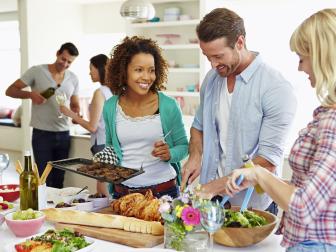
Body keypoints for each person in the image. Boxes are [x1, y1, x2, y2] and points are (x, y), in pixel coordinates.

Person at [227, 9, 336, 251]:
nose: (300, 68)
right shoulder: (326, 114)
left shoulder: (332, 122)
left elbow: (303, 207)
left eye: (302, 57)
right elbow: (314, 190)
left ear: (322, 56)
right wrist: (264, 180)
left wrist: (259, 174)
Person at [181, 8, 297, 214]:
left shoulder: (276, 88)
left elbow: (267, 162)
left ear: (240, 43)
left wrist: (210, 188)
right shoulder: (211, 80)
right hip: (211, 201)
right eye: (208, 57)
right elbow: (198, 128)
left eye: (218, 56)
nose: (213, 64)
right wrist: (195, 156)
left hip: (251, 205)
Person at [103, 36, 188, 199]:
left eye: (151, 70)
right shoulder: (110, 107)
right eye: (139, 70)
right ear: (123, 71)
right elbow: (110, 146)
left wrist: (170, 153)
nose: (147, 77)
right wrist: (103, 167)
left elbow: (183, 146)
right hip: (123, 194)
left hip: (163, 193)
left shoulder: (168, 105)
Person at [6, 42, 80, 188]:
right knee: (43, 179)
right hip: (42, 135)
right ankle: (43, 210)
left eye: (69, 62)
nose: (65, 64)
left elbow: (75, 103)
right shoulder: (37, 71)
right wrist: (30, 94)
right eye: (63, 59)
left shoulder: (73, 78)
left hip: (64, 134)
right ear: (58, 53)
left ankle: (57, 211)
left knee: (59, 180)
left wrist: (76, 111)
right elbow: (10, 91)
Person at [60, 54, 112, 195]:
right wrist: (78, 119)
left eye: (91, 69)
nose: (89, 72)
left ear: (100, 69)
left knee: (102, 188)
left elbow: (93, 127)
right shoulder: (115, 91)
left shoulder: (100, 92)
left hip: (101, 144)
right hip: (112, 144)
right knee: (111, 184)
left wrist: (70, 113)